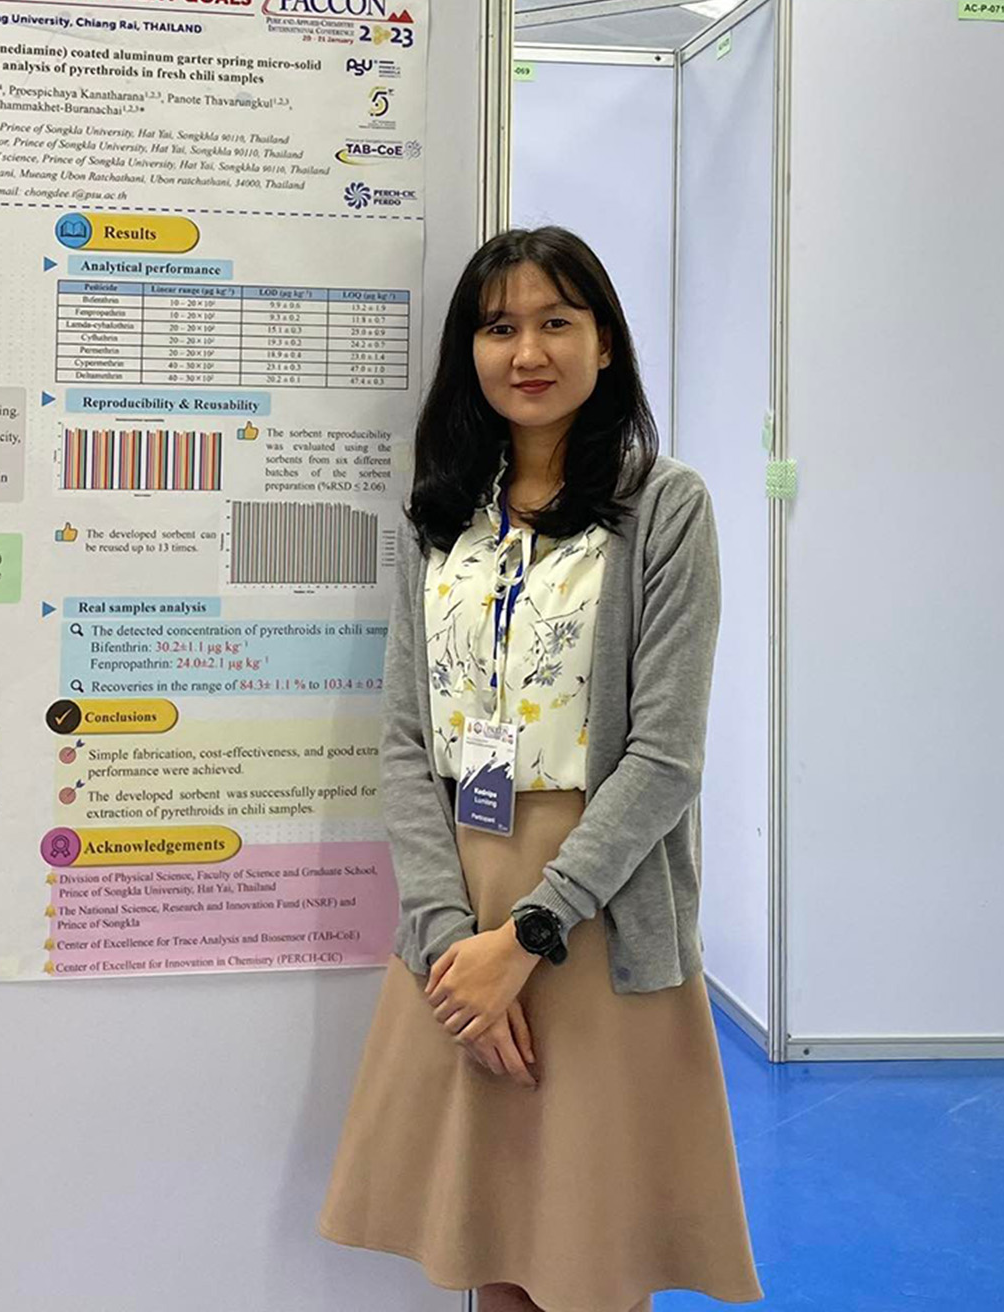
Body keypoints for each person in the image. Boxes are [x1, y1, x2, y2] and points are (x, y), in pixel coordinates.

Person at [321, 226, 759, 1312]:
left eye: (555, 321)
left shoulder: (665, 507)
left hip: (594, 909)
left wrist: (527, 938)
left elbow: (665, 757)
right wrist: (448, 945)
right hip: (459, 907)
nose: (527, 350)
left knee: (592, 1260)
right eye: (498, 326)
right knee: (493, 1247)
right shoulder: (441, 513)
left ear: (603, 342)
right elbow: (406, 742)